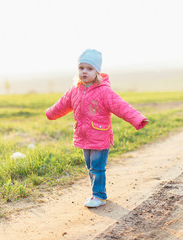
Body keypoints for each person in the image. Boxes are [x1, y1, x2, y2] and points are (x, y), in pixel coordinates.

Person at [45, 49, 149, 207]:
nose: (84, 72)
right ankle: (96, 193)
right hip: (83, 136)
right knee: (90, 167)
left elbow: (121, 106)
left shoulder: (104, 91)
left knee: (97, 168)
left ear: (97, 71)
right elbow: (62, 105)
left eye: (89, 68)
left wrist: (137, 119)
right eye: (81, 68)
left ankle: (99, 196)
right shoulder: (75, 90)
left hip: (100, 137)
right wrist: (50, 113)